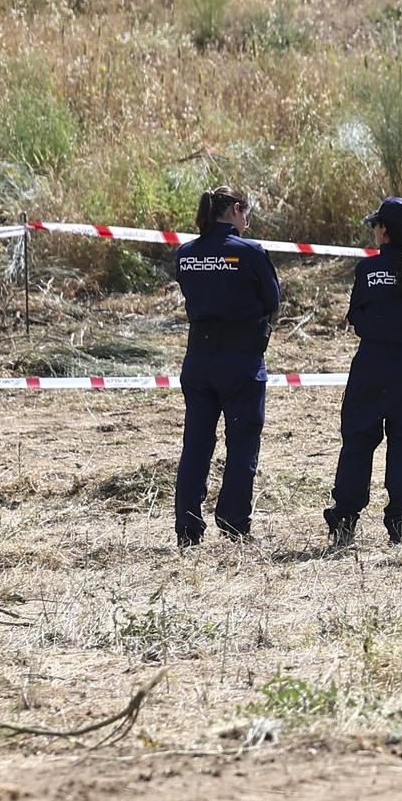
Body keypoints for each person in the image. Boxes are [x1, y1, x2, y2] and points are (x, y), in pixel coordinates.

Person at [325, 197, 402, 547]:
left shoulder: (367, 270)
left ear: (384, 230)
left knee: (358, 444)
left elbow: (356, 317)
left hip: (371, 365)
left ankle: (344, 522)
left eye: (376, 225)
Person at [170, 185, 280, 547]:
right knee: (242, 444)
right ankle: (234, 523)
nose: (247, 220)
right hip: (241, 361)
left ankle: (187, 528)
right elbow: (272, 300)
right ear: (234, 209)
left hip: (199, 359)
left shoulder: (185, 253)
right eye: (245, 212)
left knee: (196, 444)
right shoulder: (249, 252)